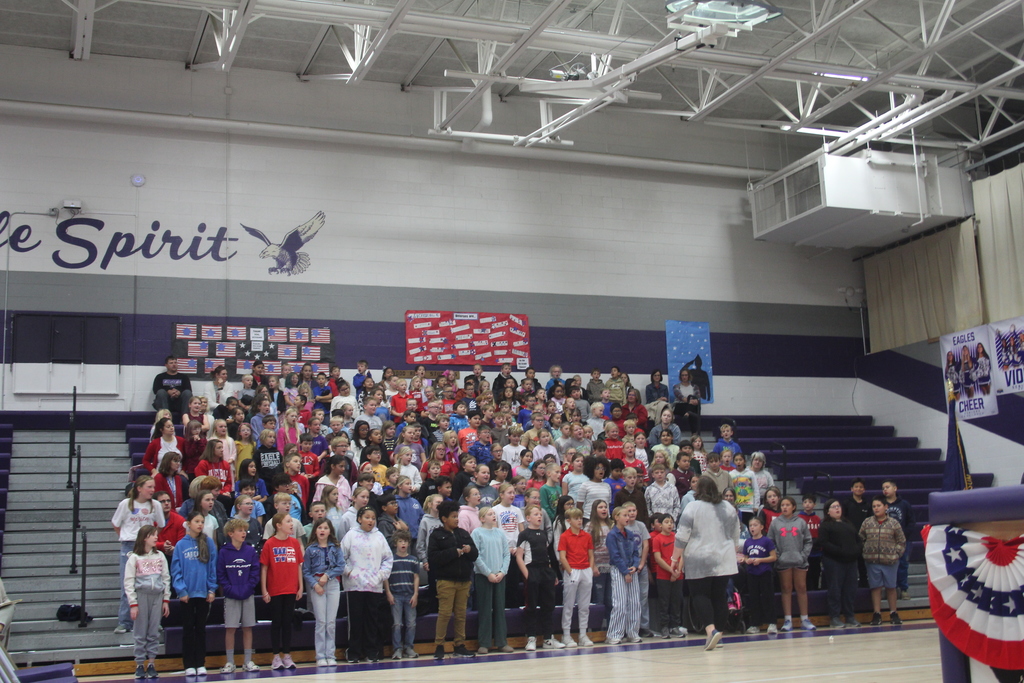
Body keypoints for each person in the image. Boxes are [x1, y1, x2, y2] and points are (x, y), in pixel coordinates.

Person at [672, 475, 741, 651]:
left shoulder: (692, 507)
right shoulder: (728, 507)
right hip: (723, 558)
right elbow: (735, 534)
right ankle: (719, 634)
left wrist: (675, 558)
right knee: (719, 596)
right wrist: (732, 553)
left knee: (700, 595)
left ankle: (711, 630)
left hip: (699, 557)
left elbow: (682, 536)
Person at [113, 477, 165, 635]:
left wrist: (150, 540)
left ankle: (153, 621)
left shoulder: (155, 505)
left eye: (153, 487)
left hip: (148, 547)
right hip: (129, 545)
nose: (152, 490)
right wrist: (127, 537)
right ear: (139, 488)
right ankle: (125, 621)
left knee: (152, 584)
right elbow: (116, 524)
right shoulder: (126, 504)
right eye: (149, 487)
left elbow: (161, 525)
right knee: (127, 584)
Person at [341, 506, 393, 663]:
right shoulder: (351, 535)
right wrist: (349, 572)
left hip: (374, 585)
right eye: (367, 517)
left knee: (372, 620)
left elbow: (388, 559)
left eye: (373, 518)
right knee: (356, 620)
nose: (370, 521)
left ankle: (371, 652)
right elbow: (340, 557)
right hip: (355, 585)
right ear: (359, 519)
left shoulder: (379, 537)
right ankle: (354, 652)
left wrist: (380, 576)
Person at [428, 500, 478, 659]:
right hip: (446, 581)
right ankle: (439, 646)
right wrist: (453, 552)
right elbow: (434, 558)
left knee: (461, 614)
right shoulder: (436, 535)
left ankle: (460, 645)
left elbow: (475, 555)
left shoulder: (463, 533)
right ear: (444, 518)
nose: (457, 519)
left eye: (457, 516)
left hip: (464, 580)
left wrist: (469, 550)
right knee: (444, 614)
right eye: (453, 516)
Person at [171, 511, 217, 677]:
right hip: (187, 595)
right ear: (188, 523)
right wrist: (181, 590)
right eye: (197, 521)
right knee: (188, 629)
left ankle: (200, 663)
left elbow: (212, 567)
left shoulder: (208, 542)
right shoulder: (181, 545)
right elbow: (176, 571)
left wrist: (212, 589)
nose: (200, 524)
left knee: (201, 629)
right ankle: (188, 664)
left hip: (203, 593)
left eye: (202, 522)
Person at [124, 525, 170, 679]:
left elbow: (166, 579)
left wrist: (166, 600)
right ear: (144, 537)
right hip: (141, 596)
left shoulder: (160, 556)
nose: (156, 538)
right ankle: (139, 664)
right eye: (153, 535)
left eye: (156, 535)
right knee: (140, 632)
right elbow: (128, 582)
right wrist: (133, 604)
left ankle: (151, 663)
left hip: (157, 596)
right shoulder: (134, 558)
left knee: (153, 631)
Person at [516, 504, 563, 651]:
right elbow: (519, 557)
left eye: (540, 515)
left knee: (548, 605)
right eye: (536, 514)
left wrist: (552, 573)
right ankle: (531, 638)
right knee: (532, 605)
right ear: (528, 518)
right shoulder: (524, 534)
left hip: (545, 571)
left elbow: (547, 556)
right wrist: (528, 575)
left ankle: (548, 638)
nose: (539, 516)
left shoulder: (543, 534)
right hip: (532, 570)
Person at [260, 512, 304, 670]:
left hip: (291, 588)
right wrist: (264, 589)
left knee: (287, 622)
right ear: (278, 525)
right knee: (276, 623)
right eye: (288, 522)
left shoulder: (294, 543)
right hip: (275, 589)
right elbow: (264, 568)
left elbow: (299, 565)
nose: (291, 524)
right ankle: (275, 656)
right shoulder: (270, 544)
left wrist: (301, 586)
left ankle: (287, 655)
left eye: (291, 522)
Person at [217, 519, 261, 673]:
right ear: (231, 533)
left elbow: (255, 572)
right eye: (240, 530)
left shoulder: (250, 551)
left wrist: (248, 588)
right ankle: (230, 662)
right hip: (231, 596)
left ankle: (248, 661)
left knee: (248, 627)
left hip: (247, 594)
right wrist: (230, 589)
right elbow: (221, 575)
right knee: (231, 628)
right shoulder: (224, 552)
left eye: (245, 530)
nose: (244, 533)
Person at [303, 519, 345, 666]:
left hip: (332, 584)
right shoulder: (310, 550)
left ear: (330, 531)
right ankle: (320, 655)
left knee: (331, 621)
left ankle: (330, 654)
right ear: (315, 530)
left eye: (325, 528)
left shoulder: (336, 547)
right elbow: (306, 571)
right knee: (321, 621)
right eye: (319, 527)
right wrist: (315, 585)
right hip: (317, 586)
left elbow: (341, 566)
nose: (322, 530)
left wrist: (328, 576)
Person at [769, 496, 814, 632]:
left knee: (801, 588)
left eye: (787, 505)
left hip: (799, 561)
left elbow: (808, 541)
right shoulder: (775, 523)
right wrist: (778, 556)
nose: (784, 507)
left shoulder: (800, 522)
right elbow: (770, 542)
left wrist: (803, 556)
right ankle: (787, 620)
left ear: (793, 507)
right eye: (782, 505)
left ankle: (804, 619)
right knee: (786, 589)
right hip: (783, 562)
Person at [859, 495, 906, 626]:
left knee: (891, 587)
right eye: (874, 506)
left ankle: (893, 612)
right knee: (875, 588)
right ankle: (877, 613)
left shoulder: (894, 523)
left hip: (890, 561)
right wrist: (866, 550)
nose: (876, 508)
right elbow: (860, 538)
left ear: (886, 507)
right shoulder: (867, 522)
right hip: (872, 561)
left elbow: (901, 541)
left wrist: (896, 553)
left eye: (878, 506)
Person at [471, 507, 512, 654]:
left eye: (493, 514)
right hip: (483, 576)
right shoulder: (477, 533)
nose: (493, 516)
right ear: (482, 518)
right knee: (485, 609)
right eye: (489, 514)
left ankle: (502, 641)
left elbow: (506, 554)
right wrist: (488, 573)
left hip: (499, 576)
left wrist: (502, 572)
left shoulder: (500, 533)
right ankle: (484, 642)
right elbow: (476, 556)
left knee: (500, 609)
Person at [818, 498, 862, 628]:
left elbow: (858, 539)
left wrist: (856, 550)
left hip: (851, 561)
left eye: (838, 506)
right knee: (835, 590)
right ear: (827, 511)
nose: (837, 508)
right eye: (833, 507)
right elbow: (824, 543)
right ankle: (835, 617)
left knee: (850, 590)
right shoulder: (825, 525)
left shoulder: (848, 523)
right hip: (834, 561)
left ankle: (849, 616)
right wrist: (840, 551)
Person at [558, 507, 595, 647]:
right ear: (569, 521)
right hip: (572, 570)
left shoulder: (587, 536)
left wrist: (590, 570)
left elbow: (591, 554)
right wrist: (570, 572)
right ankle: (566, 635)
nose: (579, 521)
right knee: (569, 604)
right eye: (576, 518)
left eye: (580, 518)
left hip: (585, 570)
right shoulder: (564, 536)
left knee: (584, 606)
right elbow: (562, 557)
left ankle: (583, 634)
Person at [604, 505, 641, 645]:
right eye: (624, 515)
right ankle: (614, 633)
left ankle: (632, 632)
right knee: (620, 604)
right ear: (616, 517)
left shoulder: (630, 534)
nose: (628, 517)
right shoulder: (612, 535)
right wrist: (625, 571)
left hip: (632, 570)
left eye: (628, 515)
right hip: (619, 570)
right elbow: (615, 556)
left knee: (634, 603)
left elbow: (636, 553)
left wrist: (635, 566)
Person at [384, 530, 420, 660]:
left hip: (409, 594)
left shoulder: (413, 560)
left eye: (405, 541)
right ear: (395, 543)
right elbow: (385, 578)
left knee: (411, 623)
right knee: (397, 624)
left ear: (409, 543)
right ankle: (397, 648)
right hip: (396, 595)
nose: (403, 544)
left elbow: (416, 577)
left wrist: (416, 594)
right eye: (400, 541)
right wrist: (388, 593)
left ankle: (409, 647)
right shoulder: (390, 560)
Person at [650, 514, 686, 639]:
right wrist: (671, 570)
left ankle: (675, 626)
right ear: (660, 524)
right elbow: (658, 558)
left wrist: (678, 571)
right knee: (664, 602)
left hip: (678, 575)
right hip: (663, 575)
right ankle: (664, 627)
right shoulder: (657, 539)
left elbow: (682, 556)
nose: (670, 524)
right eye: (666, 522)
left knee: (676, 601)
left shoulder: (677, 537)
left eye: (671, 522)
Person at [742, 517, 777, 634]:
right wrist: (746, 560)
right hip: (752, 573)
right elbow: (746, 556)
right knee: (754, 599)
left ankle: (772, 623)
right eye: (751, 525)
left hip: (764, 572)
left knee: (767, 598)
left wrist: (760, 560)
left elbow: (773, 557)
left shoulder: (767, 541)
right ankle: (755, 624)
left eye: (755, 525)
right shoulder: (747, 542)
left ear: (761, 527)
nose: (752, 527)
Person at [881, 480, 914, 600]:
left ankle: (903, 589)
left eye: (887, 487)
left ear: (895, 488)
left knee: (902, 565)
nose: (885, 489)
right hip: (886, 541)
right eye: (883, 488)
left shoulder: (904, 504)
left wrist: (903, 536)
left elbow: (911, 522)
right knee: (887, 565)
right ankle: (890, 588)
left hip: (903, 541)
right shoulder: (881, 504)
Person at [842, 478, 872, 587]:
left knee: (862, 563)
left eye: (860, 487)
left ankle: (864, 583)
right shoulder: (846, 503)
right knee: (851, 563)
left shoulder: (867, 505)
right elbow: (843, 520)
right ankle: (851, 584)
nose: (858, 489)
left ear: (864, 489)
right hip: (850, 539)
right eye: (856, 487)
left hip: (864, 540)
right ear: (851, 489)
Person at [672, 368, 701, 435]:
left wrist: (694, 401)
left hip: (691, 407)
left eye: (686, 375)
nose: (684, 377)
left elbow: (697, 398)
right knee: (691, 409)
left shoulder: (695, 387)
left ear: (688, 376)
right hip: (680, 406)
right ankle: (694, 433)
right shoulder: (676, 386)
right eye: (682, 375)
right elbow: (681, 397)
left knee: (693, 410)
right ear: (680, 376)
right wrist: (690, 401)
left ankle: (688, 413)